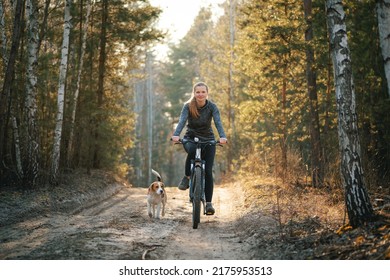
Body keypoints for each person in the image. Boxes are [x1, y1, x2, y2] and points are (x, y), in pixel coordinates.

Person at [171, 82, 227, 215]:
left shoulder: (212, 107)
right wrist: (176, 134)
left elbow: (218, 122)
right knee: (191, 150)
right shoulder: (188, 106)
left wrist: (223, 136)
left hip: (208, 139)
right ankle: (187, 177)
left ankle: (208, 204)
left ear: (207, 93)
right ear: (194, 93)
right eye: (198, 92)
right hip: (191, 137)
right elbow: (182, 121)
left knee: (207, 171)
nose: (200, 94)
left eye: (203, 92)